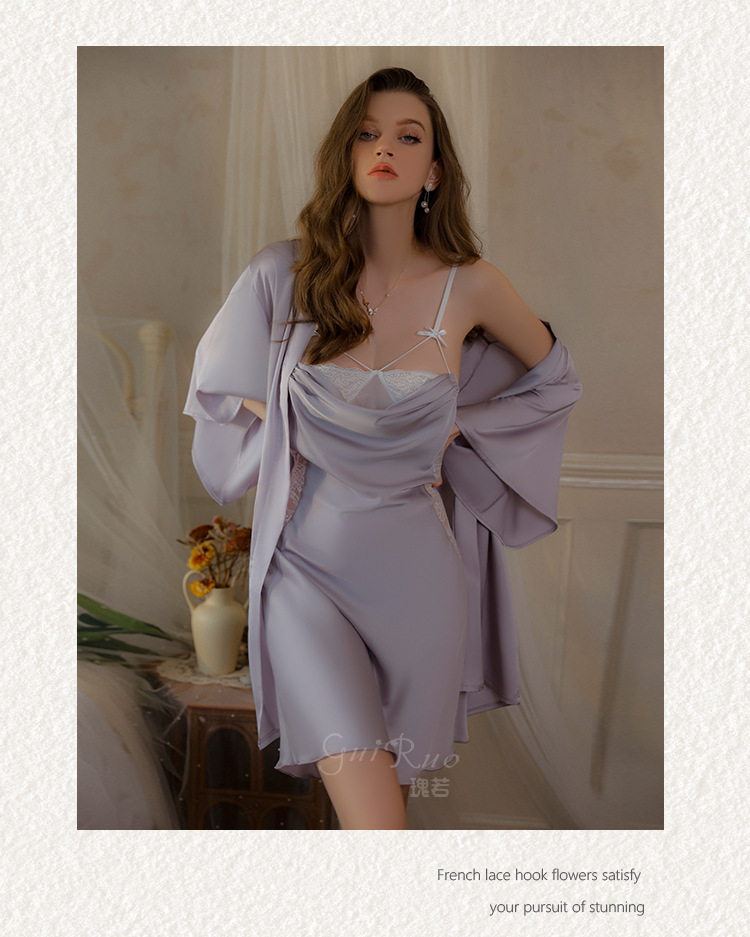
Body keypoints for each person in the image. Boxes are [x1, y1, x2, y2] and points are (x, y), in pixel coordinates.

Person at [184, 67, 582, 830]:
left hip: (420, 581)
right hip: (303, 573)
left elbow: (555, 379)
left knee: (382, 820)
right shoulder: (281, 275)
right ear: (346, 153)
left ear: (434, 171)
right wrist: (285, 418)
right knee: (376, 820)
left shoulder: (472, 286)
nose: (385, 148)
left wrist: (464, 425)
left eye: (408, 136)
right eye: (367, 133)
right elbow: (216, 390)